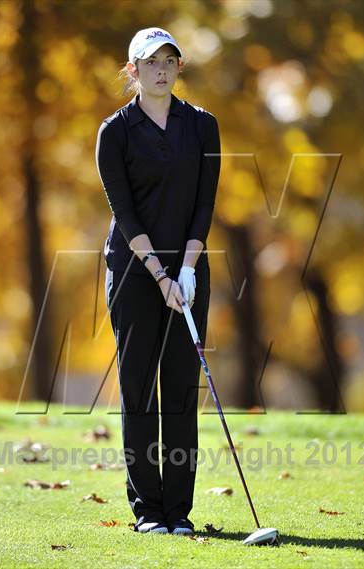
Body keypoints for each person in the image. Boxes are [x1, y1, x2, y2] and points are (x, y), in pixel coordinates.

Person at [95, 27, 221, 535]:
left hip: (188, 271)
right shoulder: (116, 132)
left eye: (169, 60)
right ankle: (148, 510)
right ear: (133, 71)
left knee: (180, 391)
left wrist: (187, 269)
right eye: (150, 62)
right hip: (135, 272)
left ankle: (179, 512)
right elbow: (124, 213)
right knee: (140, 390)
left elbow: (204, 204)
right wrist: (160, 275)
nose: (161, 69)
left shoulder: (203, 126)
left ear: (179, 67)